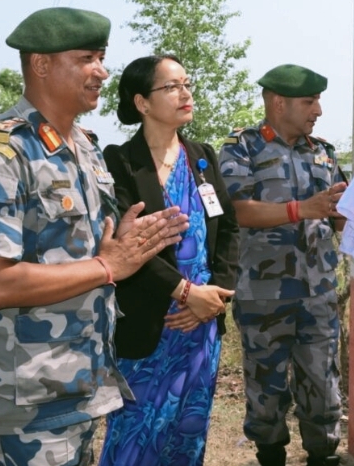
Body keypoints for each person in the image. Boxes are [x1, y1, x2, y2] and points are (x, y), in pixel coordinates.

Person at [0, 7, 188, 466]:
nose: (102, 71)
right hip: (23, 400)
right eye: (88, 59)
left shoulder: (86, 147)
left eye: (102, 57)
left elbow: (88, 248)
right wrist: (108, 266)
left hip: (80, 385)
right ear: (41, 64)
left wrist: (123, 245)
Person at [98, 54, 238, 465]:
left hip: (200, 324)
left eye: (187, 83)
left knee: (187, 436)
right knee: (135, 438)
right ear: (142, 103)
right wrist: (185, 291)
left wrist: (214, 298)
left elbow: (228, 230)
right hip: (149, 324)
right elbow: (127, 244)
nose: (185, 93)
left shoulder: (202, 158)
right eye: (172, 86)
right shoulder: (120, 162)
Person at [218, 64, 349, 466]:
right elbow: (238, 211)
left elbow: (337, 215)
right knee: (266, 387)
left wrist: (347, 210)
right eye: (310, 101)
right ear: (279, 103)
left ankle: (322, 454)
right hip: (264, 295)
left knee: (324, 382)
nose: (319, 110)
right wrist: (302, 208)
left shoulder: (323, 151)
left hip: (318, 294)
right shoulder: (242, 147)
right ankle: (270, 453)